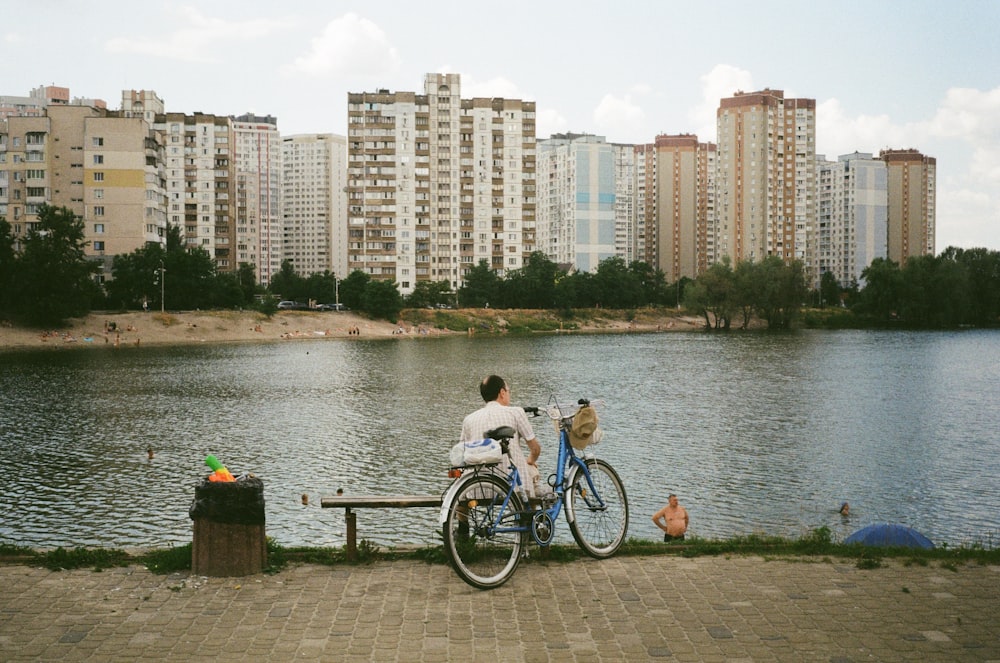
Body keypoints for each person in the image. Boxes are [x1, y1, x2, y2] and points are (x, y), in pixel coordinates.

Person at [460, 375, 541, 499]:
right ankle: (529, 517)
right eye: (508, 391)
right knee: (531, 472)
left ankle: (462, 519)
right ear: (502, 393)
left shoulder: (469, 419)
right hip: (512, 488)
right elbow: (535, 449)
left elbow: (463, 455)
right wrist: (530, 461)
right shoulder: (516, 412)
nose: (509, 394)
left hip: (478, 487)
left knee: (462, 483)